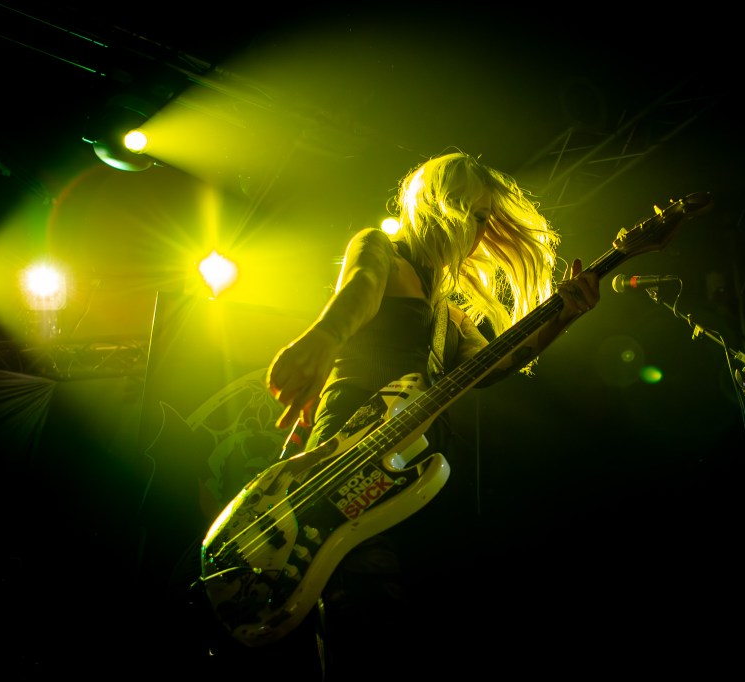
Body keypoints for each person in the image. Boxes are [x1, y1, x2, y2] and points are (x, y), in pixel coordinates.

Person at [203, 150, 601, 676]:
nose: (480, 231)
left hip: (401, 469)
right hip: (352, 446)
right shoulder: (382, 251)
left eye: (487, 220)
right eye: (473, 214)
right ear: (440, 206)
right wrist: (326, 335)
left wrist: (564, 317)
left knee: (387, 598)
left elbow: (497, 364)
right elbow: (359, 292)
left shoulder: (449, 313)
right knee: (360, 590)